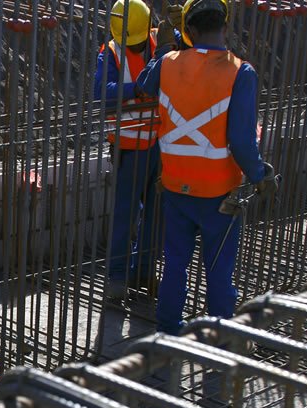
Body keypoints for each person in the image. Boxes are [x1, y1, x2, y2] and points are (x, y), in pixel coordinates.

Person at [134, 0, 277, 335]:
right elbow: (242, 142)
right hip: (218, 194)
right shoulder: (241, 72)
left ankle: (168, 332)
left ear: (190, 31)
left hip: (174, 187)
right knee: (217, 269)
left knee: (175, 264)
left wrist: (168, 45)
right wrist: (261, 175)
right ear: (225, 27)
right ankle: (219, 337)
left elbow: (144, 85)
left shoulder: (168, 63)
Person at [95, 0, 182, 304]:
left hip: (160, 143)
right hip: (129, 149)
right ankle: (117, 277)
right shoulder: (112, 51)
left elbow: (189, 55)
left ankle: (143, 270)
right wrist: (138, 89)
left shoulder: (161, 40)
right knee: (125, 216)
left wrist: (181, 28)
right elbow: (102, 94)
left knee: (158, 215)